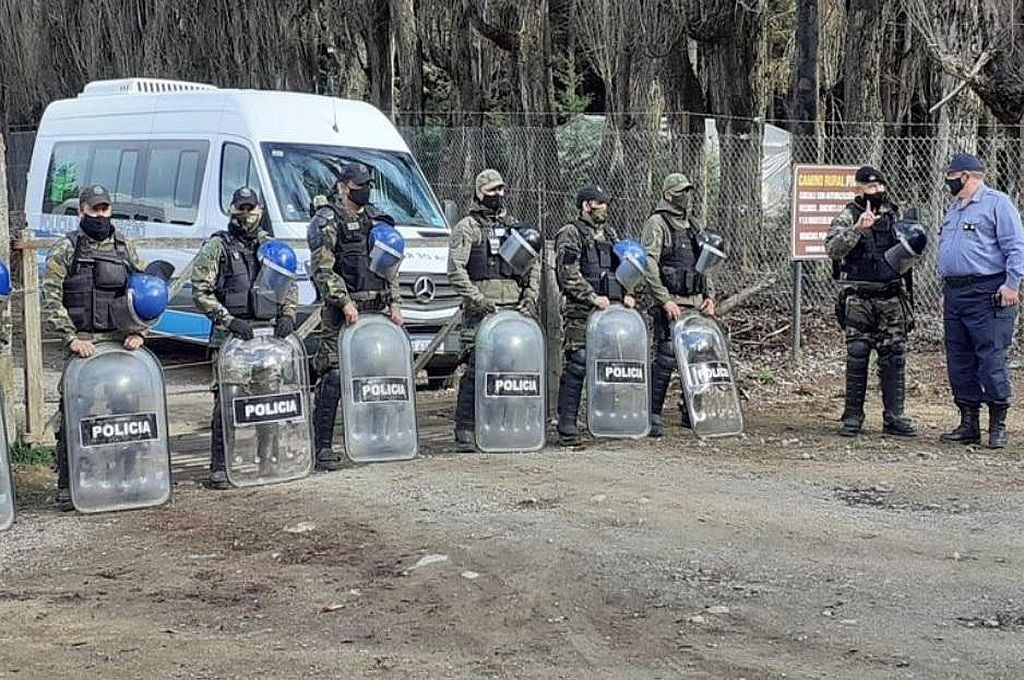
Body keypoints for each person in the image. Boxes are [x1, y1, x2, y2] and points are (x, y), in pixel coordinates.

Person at [41, 184, 149, 510]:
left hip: (119, 345)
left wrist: (139, 332)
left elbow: (144, 293)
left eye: (104, 209)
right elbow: (50, 297)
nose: (100, 215)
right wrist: (71, 337)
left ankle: (126, 478)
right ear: (81, 211)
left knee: (127, 412)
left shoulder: (124, 247)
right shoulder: (66, 249)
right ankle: (71, 484)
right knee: (75, 415)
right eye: (94, 209)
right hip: (81, 346)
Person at [191, 187, 298, 489]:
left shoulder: (272, 247)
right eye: (242, 208)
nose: (247, 214)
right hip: (231, 340)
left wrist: (288, 315)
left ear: (261, 210)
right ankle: (221, 468)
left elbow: (289, 286)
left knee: (270, 402)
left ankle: (268, 463)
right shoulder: (218, 247)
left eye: (252, 208)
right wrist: (228, 320)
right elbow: (200, 291)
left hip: (267, 339)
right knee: (228, 401)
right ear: (232, 210)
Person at [307, 162, 403, 470]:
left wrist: (396, 303)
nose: (365, 189)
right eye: (359, 184)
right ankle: (321, 446)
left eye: (368, 184)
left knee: (377, 375)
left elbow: (390, 269)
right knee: (333, 376)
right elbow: (322, 270)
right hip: (342, 314)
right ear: (344, 186)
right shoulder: (327, 221)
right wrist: (344, 301)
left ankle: (377, 438)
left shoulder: (377, 221)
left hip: (376, 311)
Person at [448, 169, 541, 451]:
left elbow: (532, 267)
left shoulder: (514, 227)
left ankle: (504, 424)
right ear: (478, 192)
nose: (497, 195)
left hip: (513, 310)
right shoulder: (467, 227)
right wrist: (479, 300)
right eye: (491, 190)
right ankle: (465, 428)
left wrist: (530, 297)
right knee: (477, 368)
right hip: (482, 313)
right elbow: (455, 271)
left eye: (500, 189)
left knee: (512, 371)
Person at [938, 153, 1024, 448]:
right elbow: (950, 252)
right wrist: (945, 290)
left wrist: (1012, 284)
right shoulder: (954, 208)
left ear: (966, 176)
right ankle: (968, 423)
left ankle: (997, 425)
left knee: (990, 359)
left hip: (988, 292)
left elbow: (1016, 247)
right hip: (955, 294)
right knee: (959, 361)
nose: (948, 182)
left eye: (952, 177)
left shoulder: (997, 204)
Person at [825, 166, 917, 438]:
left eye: (878, 187)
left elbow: (912, 252)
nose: (875, 192)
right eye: (869, 188)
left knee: (894, 357)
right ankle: (853, 415)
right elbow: (832, 249)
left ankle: (894, 416)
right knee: (857, 355)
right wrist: (857, 229)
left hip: (890, 296)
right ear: (858, 189)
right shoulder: (847, 215)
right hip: (860, 296)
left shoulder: (894, 214)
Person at [553, 184, 637, 446]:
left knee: (612, 365)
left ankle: (608, 419)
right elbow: (567, 274)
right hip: (582, 311)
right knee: (578, 362)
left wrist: (627, 293)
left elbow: (623, 267)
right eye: (599, 204)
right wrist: (592, 297)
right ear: (586, 205)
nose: (604, 208)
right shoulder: (570, 233)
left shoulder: (609, 235)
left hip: (610, 312)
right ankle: (567, 424)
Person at [640, 173, 716, 437]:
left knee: (698, 356)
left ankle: (691, 411)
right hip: (672, 303)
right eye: (680, 191)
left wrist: (709, 296)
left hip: (695, 303)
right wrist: (664, 300)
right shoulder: (657, 223)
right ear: (668, 194)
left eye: (687, 190)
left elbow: (704, 263)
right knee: (666, 356)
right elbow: (649, 263)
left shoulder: (693, 225)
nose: (685, 195)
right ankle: (653, 413)